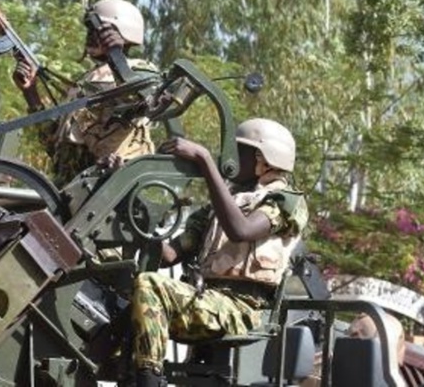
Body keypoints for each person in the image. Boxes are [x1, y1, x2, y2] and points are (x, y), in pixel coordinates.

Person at [129, 118, 309, 387]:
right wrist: (134, 210)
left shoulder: (286, 201)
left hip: (243, 309)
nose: (229, 159)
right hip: (207, 301)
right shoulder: (219, 205)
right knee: (127, 290)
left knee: (149, 284)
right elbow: (169, 255)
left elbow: (241, 230)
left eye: (238, 152)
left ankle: (148, 381)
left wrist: (204, 160)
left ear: (264, 160)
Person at [12, 0, 159, 185]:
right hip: (72, 188)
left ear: (123, 32)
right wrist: (30, 91)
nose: (91, 35)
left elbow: (144, 99)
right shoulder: (85, 81)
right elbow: (54, 145)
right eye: (89, 29)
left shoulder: (140, 69)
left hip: (111, 186)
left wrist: (116, 55)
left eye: (98, 28)